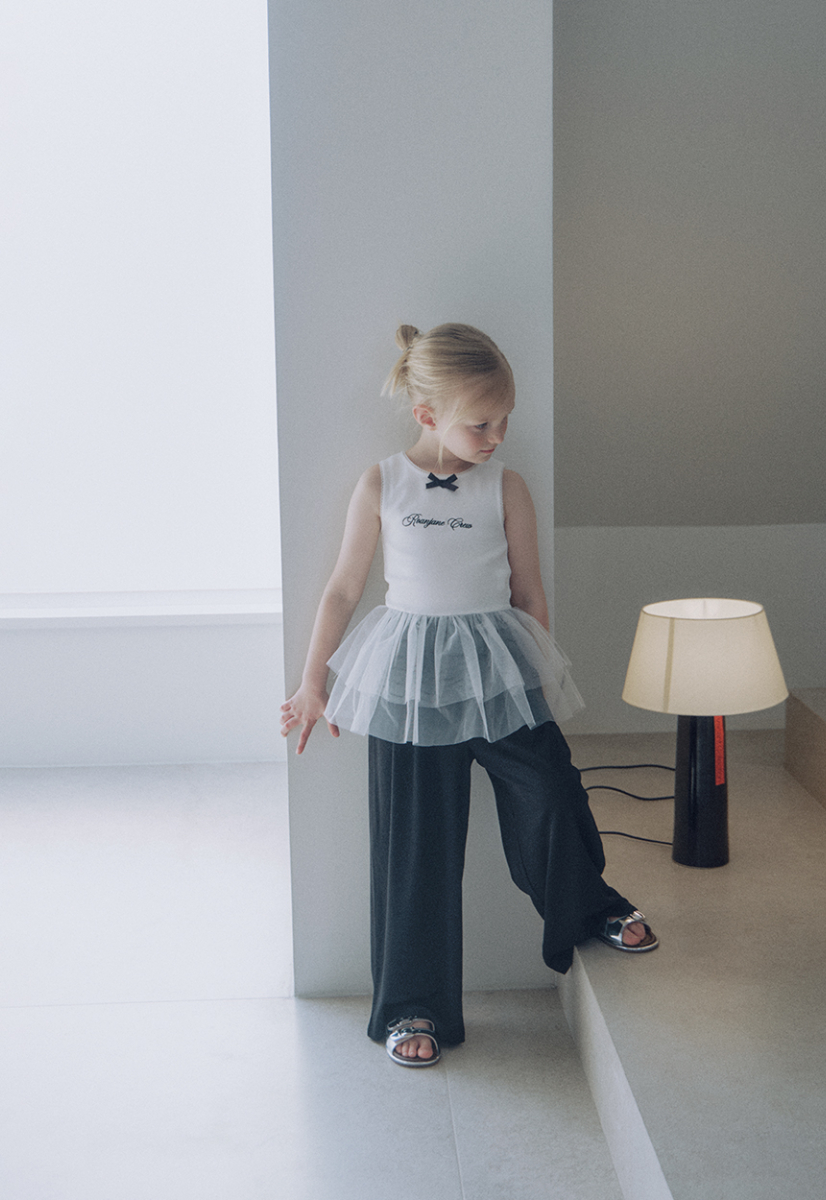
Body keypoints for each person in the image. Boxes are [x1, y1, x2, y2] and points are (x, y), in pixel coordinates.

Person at [280, 322, 657, 1068]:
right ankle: (411, 1004)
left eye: (504, 420)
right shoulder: (382, 482)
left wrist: (536, 678)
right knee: (413, 845)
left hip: (496, 669)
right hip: (409, 681)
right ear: (427, 415)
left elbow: (529, 592)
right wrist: (312, 680)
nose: (497, 436)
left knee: (551, 790)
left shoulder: (506, 486)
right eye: (481, 423)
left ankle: (587, 906)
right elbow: (344, 589)